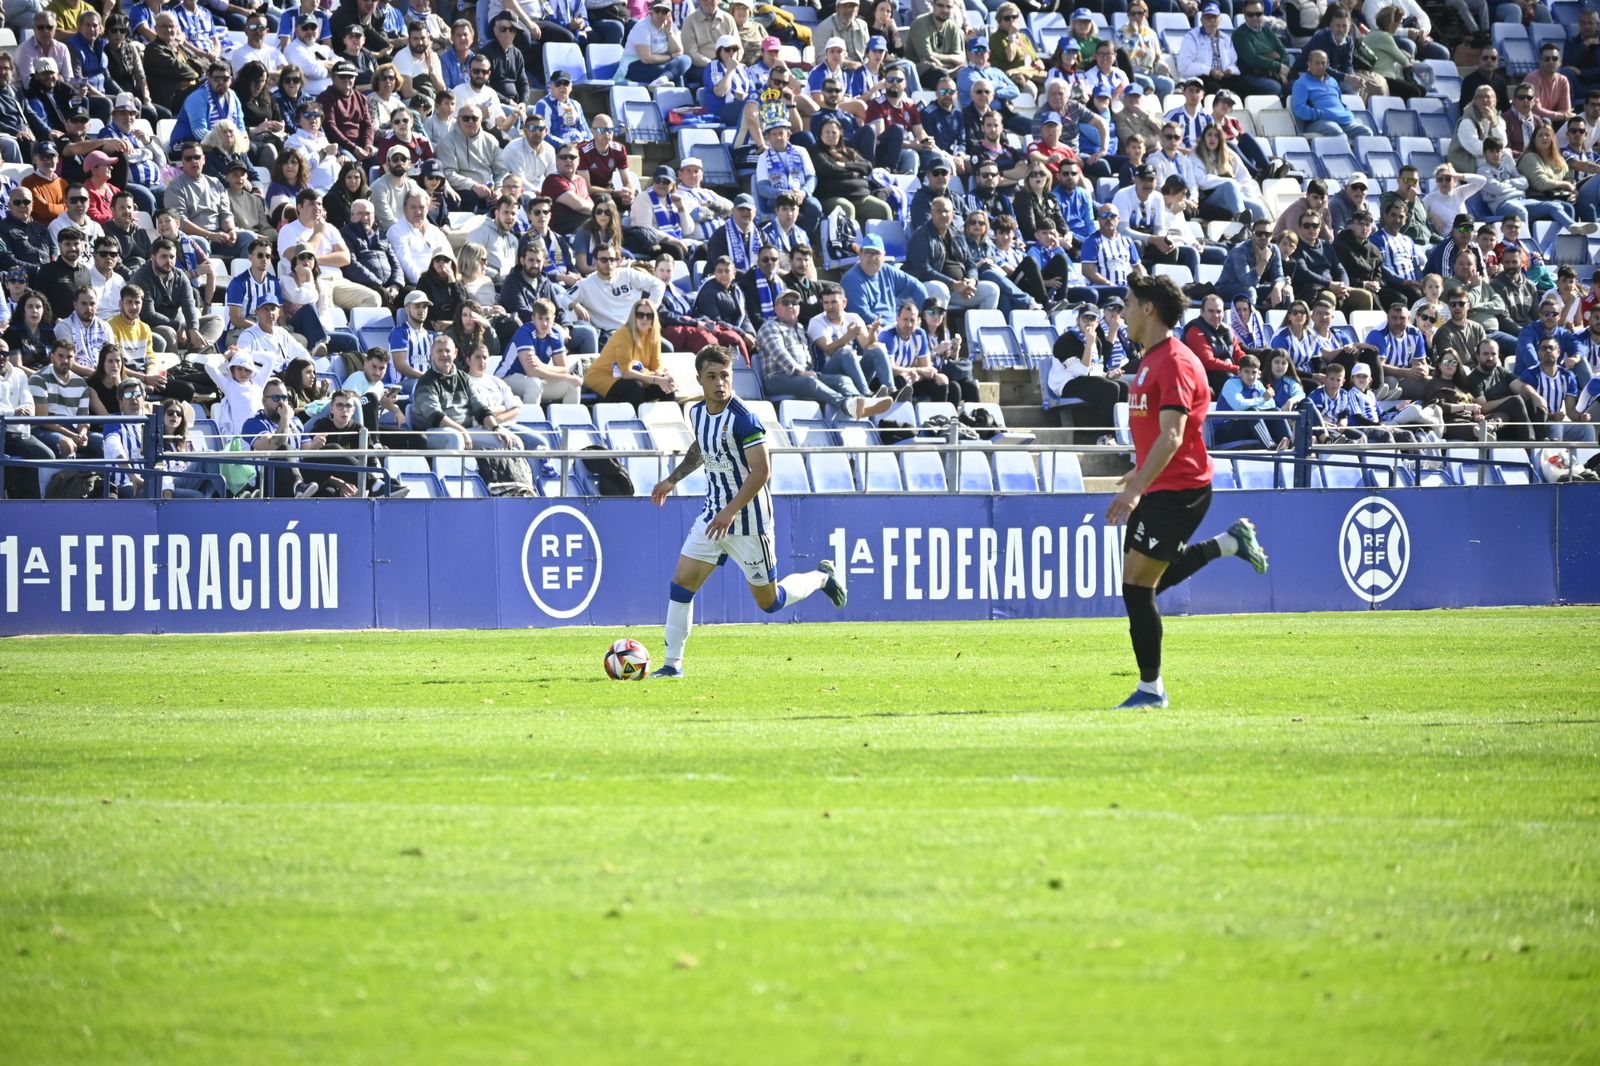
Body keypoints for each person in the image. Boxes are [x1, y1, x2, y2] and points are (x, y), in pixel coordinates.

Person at [1105, 273, 1268, 710]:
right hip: (1159, 483)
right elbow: (1160, 433)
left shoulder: (1175, 361)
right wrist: (1140, 471)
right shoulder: (1152, 359)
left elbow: (1174, 435)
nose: (1123, 310)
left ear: (1148, 309)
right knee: (1139, 586)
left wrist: (1136, 490)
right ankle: (1228, 544)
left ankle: (1151, 690)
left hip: (1180, 490)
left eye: (1128, 303)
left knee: (1139, 586)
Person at [647, 345, 850, 679]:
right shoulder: (696, 413)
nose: (720, 383)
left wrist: (729, 512)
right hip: (713, 516)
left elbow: (762, 471)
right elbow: (702, 448)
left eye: (725, 375)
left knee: (770, 602)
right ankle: (672, 665)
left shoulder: (744, 419)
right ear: (699, 380)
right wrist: (671, 480)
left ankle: (822, 577)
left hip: (748, 522)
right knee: (681, 584)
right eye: (712, 376)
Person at [585, 299, 676, 406]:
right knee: (635, 387)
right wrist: (656, 379)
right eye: (640, 315)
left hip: (630, 379)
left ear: (653, 319)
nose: (644, 319)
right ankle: (632, 417)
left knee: (668, 388)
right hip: (604, 378)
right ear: (634, 317)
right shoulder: (624, 333)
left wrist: (664, 377)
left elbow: (656, 368)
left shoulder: (654, 336)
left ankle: (663, 417)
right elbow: (626, 372)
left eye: (649, 316)